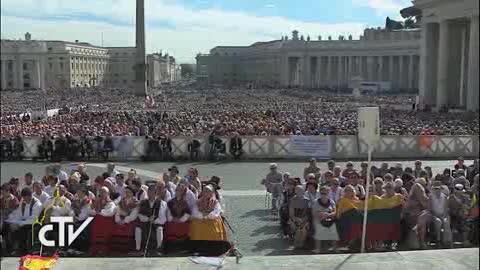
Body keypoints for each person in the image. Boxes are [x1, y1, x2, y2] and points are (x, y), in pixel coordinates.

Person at [5, 188, 42, 255]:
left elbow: (33, 220)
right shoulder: (23, 201)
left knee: (22, 229)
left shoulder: (37, 204)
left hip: (33, 224)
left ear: (30, 196)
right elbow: (19, 214)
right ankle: (10, 249)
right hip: (23, 222)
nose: (24, 200)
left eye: (25, 198)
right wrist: (13, 221)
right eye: (23, 198)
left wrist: (19, 224)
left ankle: (22, 250)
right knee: (7, 226)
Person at [135, 185, 167, 255]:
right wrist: (148, 219)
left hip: (156, 223)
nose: (150, 194)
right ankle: (138, 249)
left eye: (151, 192)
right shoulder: (143, 202)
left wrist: (154, 221)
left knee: (159, 229)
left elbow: (163, 219)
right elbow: (140, 215)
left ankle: (158, 248)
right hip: (146, 222)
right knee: (138, 228)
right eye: (149, 192)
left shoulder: (162, 203)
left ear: (155, 193)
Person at [423, 181, 452, 247]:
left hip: (443, 215)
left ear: (441, 189)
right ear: (433, 189)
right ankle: (438, 240)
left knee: (446, 222)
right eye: (435, 189)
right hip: (434, 215)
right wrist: (436, 215)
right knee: (438, 222)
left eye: (438, 189)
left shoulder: (444, 197)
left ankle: (446, 241)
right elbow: (430, 209)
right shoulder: (430, 197)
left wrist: (443, 216)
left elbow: (445, 209)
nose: (437, 190)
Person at [312, 186, 338, 253]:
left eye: (325, 193)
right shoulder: (316, 202)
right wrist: (322, 214)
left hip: (329, 219)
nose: (323, 195)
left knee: (333, 228)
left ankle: (335, 248)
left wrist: (328, 215)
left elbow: (335, 212)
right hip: (319, 219)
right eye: (322, 193)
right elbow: (314, 213)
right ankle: (318, 249)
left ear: (328, 193)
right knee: (318, 227)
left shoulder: (331, 201)